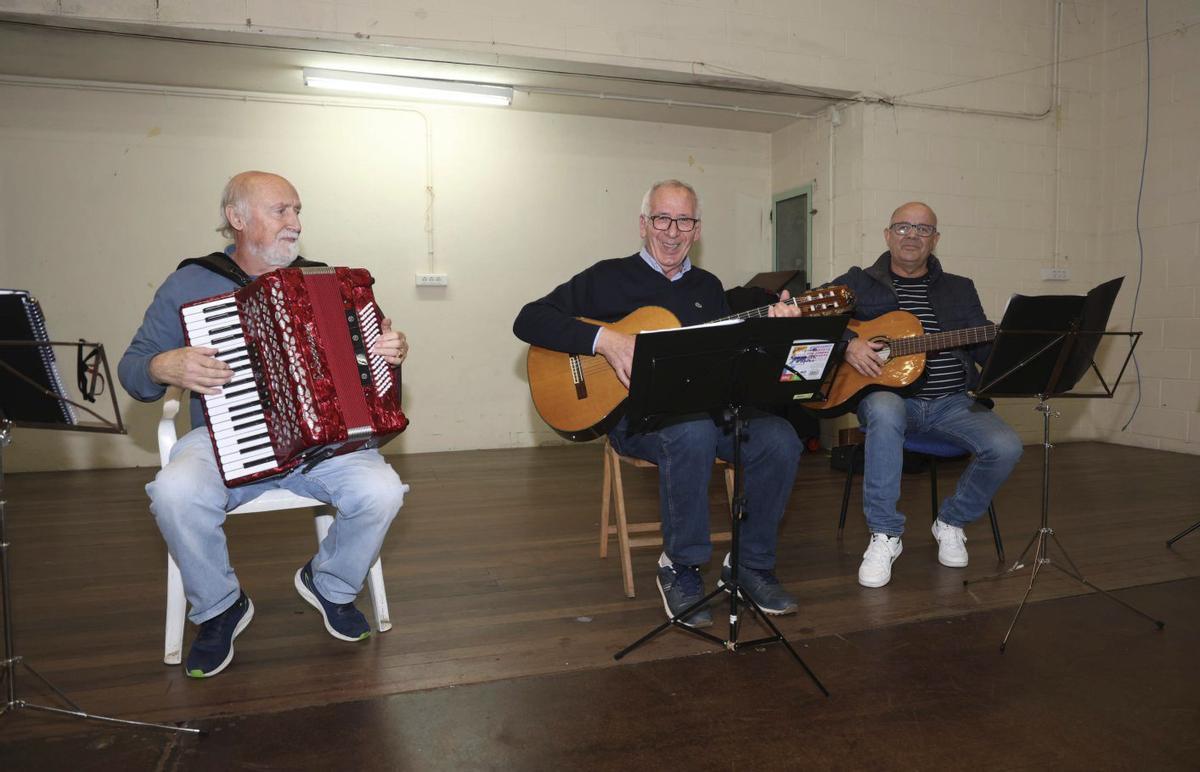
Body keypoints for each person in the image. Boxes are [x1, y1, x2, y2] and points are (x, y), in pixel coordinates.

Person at [119, 171, 410, 677]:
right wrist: (161, 366)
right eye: (281, 211)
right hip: (223, 434)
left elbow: (367, 369)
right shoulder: (190, 282)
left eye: (297, 210)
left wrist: (391, 352)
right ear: (237, 219)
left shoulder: (325, 282)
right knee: (173, 492)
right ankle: (219, 607)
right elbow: (133, 368)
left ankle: (330, 584)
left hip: (321, 444)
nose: (295, 223)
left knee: (383, 491)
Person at [513, 179, 805, 627]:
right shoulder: (608, 276)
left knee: (780, 438)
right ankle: (681, 565)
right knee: (692, 431)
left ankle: (749, 564)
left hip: (705, 411)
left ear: (697, 229)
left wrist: (775, 328)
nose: (672, 231)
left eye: (683, 220)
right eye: (662, 219)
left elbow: (728, 359)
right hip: (637, 419)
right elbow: (529, 318)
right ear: (643, 224)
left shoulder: (708, 288)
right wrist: (605, 340)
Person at [828, 202, 1022, 588]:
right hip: (888, 398)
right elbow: (812, 317)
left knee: (1007, 445)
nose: (911, 236)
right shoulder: (858, 281)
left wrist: (1010, 343)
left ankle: (951, 520)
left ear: (935, 240)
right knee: (883, 412)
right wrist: (849, 344)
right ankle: (885, 534)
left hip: (953, 401)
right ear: (887, 235)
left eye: (922, 229)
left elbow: (983, 351)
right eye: (903, 227)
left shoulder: (959, 288)